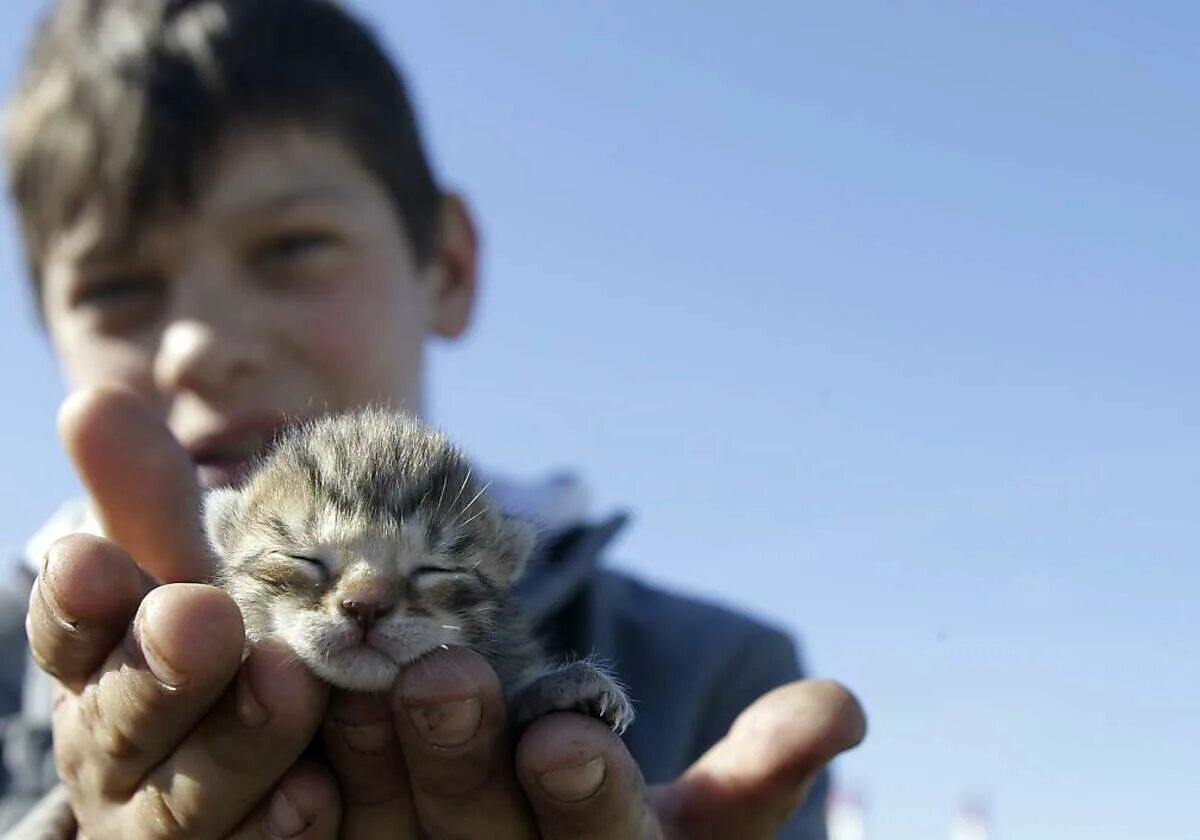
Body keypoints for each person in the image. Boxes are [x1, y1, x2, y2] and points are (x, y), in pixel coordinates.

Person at [0, 0, 866, 837]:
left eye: (292, 247)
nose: (198, 348)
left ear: (445, 267)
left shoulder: (713, 674)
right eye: (118, 288)